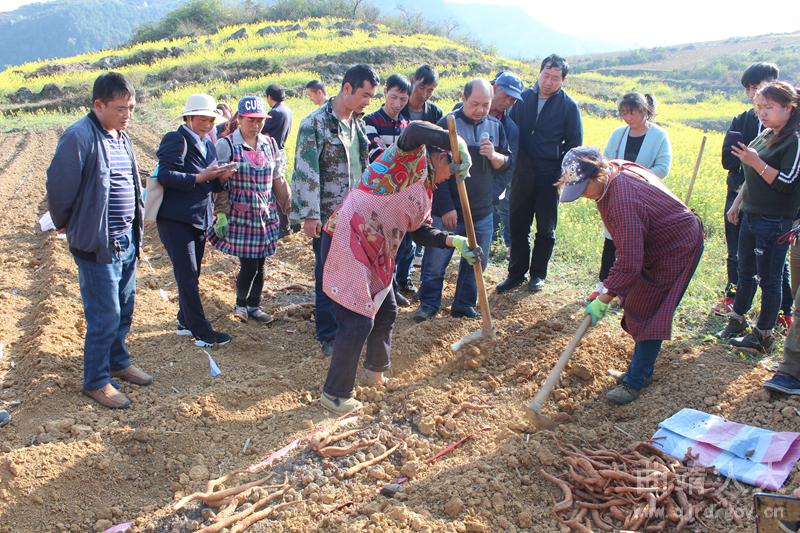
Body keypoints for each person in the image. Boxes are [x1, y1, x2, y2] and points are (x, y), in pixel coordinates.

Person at [318, 120, 478, 413]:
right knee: (357, 321)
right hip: (349, 237)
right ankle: (335, 394)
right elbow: (414, 129)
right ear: (442, 157)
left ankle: (375, 374)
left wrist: (453, 241)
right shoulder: (409, 157)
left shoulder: (427, 190)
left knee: (387, 311)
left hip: (376, 252)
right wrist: (456, 141)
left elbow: (419, 232)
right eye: (451, 169)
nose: (450, 179)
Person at [560, 147, 704, 404]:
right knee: (640, 303)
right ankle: (641, 371)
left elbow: (629, 262)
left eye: (583, 188)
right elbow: (629, 250)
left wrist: (604, 298)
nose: (582, 195)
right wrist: (606, 286)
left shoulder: (621, 198)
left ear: (598, 174)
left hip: (675, 248)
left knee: (651, 312)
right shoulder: (610, 176)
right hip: (655, 245)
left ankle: (635, 382)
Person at [46, 72, 151, 409]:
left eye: (131, 107)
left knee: (124, 309)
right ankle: (95, 380)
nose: (127, 115)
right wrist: (67, 223)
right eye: (121, 108)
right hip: (97, 244)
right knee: (104, 315)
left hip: (126, 239)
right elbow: (60, 189)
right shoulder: (79, 136)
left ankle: (118, 360)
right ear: (98, 104)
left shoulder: (120, 136)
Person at [292, 64, 378, 356]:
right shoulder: (314, 123)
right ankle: (328, 333)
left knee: (354, 270)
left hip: (357, 213)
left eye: (371, 96)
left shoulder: (357, 123)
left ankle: (349, 324)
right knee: (327, 272)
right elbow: (306, 171)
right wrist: (310, 215)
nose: (368, 102)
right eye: (364, 95)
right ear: (347, 88)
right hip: (328, 214)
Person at [414, 79, 513, 322]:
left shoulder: (496, 126)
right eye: (474, 103)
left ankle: (464, 305)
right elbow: (437, 168)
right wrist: (446, 207)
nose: (480, 109)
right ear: (463, 98)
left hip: (482, 211)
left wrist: (494, 158)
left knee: (477, 261)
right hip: (448, 211)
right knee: (436, 261)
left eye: (486, 105)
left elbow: (507, 165)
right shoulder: (447, 125)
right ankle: (428, 304)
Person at [716, 81, 800, 353]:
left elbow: (787, 182)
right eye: (759, 107)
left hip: (774, 220)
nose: (762, 113)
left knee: (770, 278)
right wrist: (737, 203)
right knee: (744, 271)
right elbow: (750, 174)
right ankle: (737, 321)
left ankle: (764, 335)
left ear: (789, 108)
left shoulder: (794, 140)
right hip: (751, 214)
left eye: (769, 107)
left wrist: (757, 162)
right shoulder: (765, 134)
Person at [156, 93, 236, 348]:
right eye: (202, 120)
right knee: (188, 274)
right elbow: (166, 175)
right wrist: (200, 177)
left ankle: (183, 320)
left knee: (192, 272)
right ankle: (201, 331)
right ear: (188, 118)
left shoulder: (208, 144)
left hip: (199, 218)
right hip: (175, 218)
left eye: (211, 121)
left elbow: (209, 183)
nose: (208, 126)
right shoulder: (175, 139)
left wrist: (220, 178)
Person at [498, 54, 583, 293]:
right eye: (546, 75)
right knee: (517, 226)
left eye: (555, 77)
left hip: (549, 176)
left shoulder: (568, 106)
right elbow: (507, 130)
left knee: (545, 228)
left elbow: (574, 145)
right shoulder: (522, 99)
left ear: (563, 80)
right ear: (539, 73)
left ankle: (537, 274)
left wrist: (561, 174)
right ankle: (516, 273)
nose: (549, 81)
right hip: (521, 173)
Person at [207, 96, 290, 324]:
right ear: (240, 119)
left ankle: (254, 305)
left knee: (262, 263)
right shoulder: (227, 145)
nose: (255, 126)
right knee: (249, 264)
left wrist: (290, 208)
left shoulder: (269, 144)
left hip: (265, 213)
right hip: (241, 214)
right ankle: (240, 304)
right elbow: (220, 185)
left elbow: (278, 180)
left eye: (259, 121)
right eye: (250, 121)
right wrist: (221, 214)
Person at [589, 92, 673, 300]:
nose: (628, 117)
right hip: (616, 193)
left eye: (632, 112)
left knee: (635, 242)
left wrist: (635, 179)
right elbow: (605, 160)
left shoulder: (659, 135)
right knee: (611, 238)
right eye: (624, 113)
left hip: (644, 195)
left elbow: (662, 167)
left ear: (645, 111)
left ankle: (629, 289)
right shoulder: (618, 133)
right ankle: (604, 284)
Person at [363, 74, 414, 306]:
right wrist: (399, 157)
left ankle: (390, 289)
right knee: (377, 245)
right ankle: (374, 290)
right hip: (377, 195)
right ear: (384, 93)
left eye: (403, 99)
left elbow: (411, 160)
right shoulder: (371, 121)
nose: (397, 103)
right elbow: (376, 156)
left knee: (399, 246)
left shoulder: (407, 125)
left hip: (400, 197)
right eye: (394, 97)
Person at [261, 83, 294, 237]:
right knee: (279, 187)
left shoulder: (274, 113)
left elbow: (261, 133)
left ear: (269, 97)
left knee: (276, 189)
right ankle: (284, 224)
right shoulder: (287, 110)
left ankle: (284, 226)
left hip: (272, 153)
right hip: (281, 150)